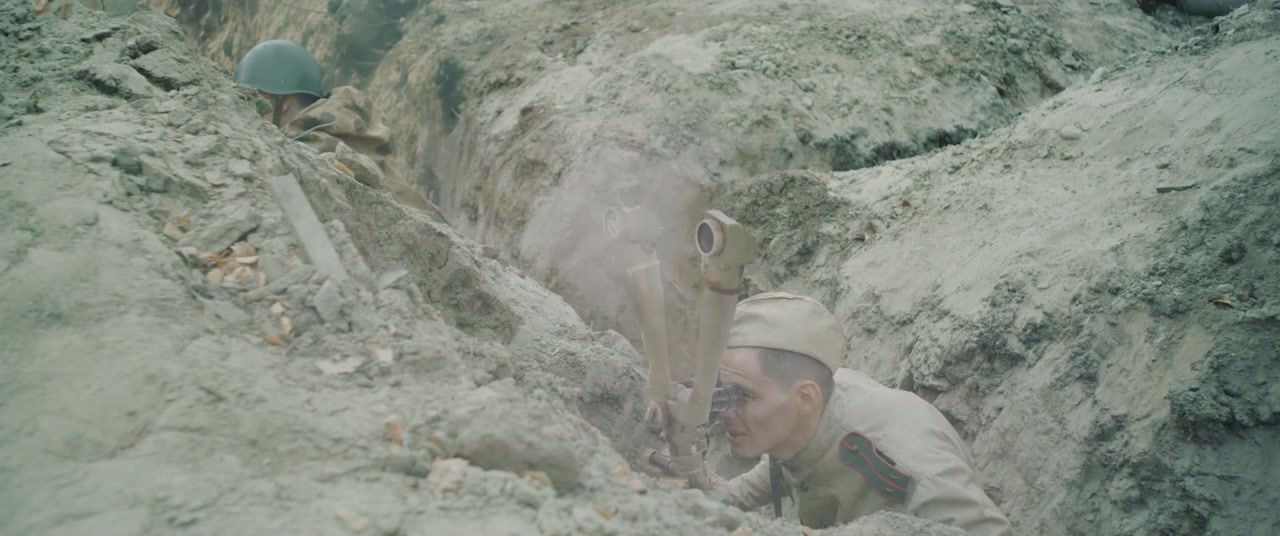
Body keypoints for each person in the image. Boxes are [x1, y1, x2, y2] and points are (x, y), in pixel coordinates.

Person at [705, 292, 1013, 535]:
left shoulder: (901, 458)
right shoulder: (799, 415)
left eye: (742, 396)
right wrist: (713, 497)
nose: (724, 413)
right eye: (723, 392)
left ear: (805, 398)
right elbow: (772, 475)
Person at [233, 40, 446, 223]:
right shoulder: (343, 134)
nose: (249, 110)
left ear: (285, 102)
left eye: (254, 100)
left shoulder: (312, 150)